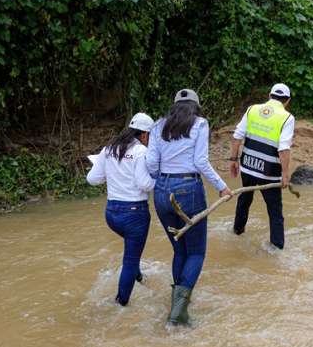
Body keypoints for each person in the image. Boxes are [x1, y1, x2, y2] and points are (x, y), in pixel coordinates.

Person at [146, 89, 232, 326]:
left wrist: (162, 180)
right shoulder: (200, 124)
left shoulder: (157, 126)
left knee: (179, 251)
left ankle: (179, 303)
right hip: (188, 189)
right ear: (196, 106)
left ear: (174, 106)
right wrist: (222, 187)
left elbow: (152, 162)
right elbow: (200, 161)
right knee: (195, 252)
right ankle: (178, 313)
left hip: (162, 190)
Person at [86, 112, 156, 306]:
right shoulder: (141, 151)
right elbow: (144, 184)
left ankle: (139, 278)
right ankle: (121, 303)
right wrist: (160, 181)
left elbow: (92, 179)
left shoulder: (109, 148)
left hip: (111, 215)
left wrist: (114, 174)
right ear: (144, 135)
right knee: (131, 260)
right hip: (135, 215)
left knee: (131, 252)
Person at [229, 83, 295, 249]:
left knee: (245, 198)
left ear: (269, 95)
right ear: (287, 101)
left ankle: (237, 231)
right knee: (274, 210)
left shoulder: (252, 109)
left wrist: (233, 160)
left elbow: (237, 136)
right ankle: (276, 247)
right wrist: (286, 174)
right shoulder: (287, 118)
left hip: (248, 165)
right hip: (269, 171)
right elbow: (284, 149)